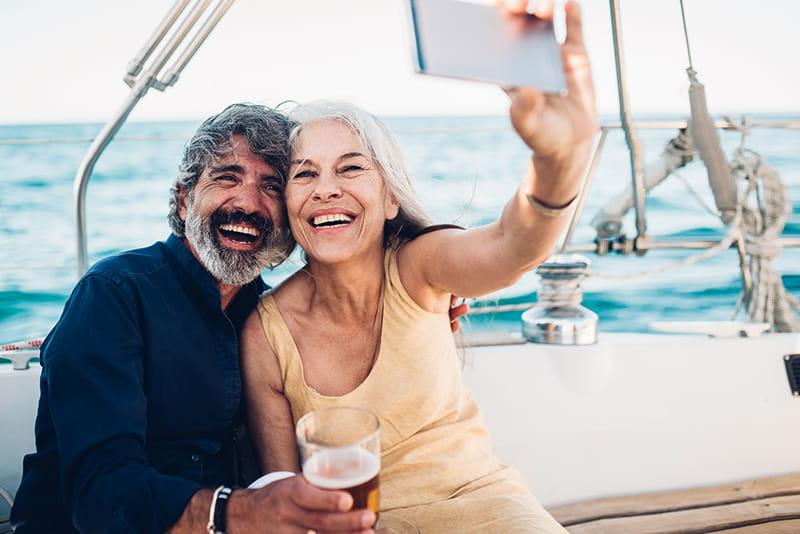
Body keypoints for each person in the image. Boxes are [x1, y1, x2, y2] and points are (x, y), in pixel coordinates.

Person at [240, 2, 595, 532]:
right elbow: (286, 503)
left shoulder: (419, 265)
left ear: (389, 199)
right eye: (304, 174)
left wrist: (558, 164)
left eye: (351, 167)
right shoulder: (265, 335)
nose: (326, 188)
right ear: (288, 208)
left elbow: (511, 247)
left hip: (486, 505)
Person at [10, 104, 386, 533]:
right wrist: (239, 512)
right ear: (185, 199)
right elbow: (101, 495)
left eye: (271, 186)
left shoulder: (270, 317)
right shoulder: (114, 295)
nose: (248, 203)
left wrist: (405, 302)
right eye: (227, 178)